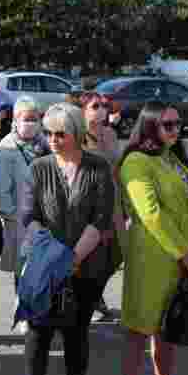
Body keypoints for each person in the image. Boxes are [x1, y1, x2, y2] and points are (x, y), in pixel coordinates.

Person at [20, 103, 115, 375]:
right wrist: (53, 256)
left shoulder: (98, 168)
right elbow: (28, 217)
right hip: (46, 266)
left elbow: (101, 219)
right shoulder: (39, 167)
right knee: (39, 333)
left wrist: (73, 258)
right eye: (48, 133)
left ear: (75, 133)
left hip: (85, 267)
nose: (53, 140)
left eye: (60, 134)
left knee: (76, 335)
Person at [116, 102, 188, 375]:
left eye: (177, 124)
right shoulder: (136, 162)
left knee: (169, 329)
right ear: (150, 126)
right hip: (151, 260)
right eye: (166, 125)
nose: (174, 130)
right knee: (139, 331)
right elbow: (150, 214)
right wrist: (184, 251)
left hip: (182, 259)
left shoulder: (172, 159)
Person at [81, 92, 125, 321]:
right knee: (94, 255)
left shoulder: (110, 133)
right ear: (84, 111)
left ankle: (96, 294)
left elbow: (118, 167)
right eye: (95, 106)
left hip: (115, 200)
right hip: (91, 203)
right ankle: (89, 299)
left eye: (104, 106)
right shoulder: (78, 136)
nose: (101, 110)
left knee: (116, 253)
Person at [0, 95, 40, 287]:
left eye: (34, 118)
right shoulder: (6, 147)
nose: (31, 123)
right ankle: (23, 314)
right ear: (15, 120)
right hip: (20, 222)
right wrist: (13, 215)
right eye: (26, 119)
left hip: (45, 220)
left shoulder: (43, 143)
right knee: (25, 275)